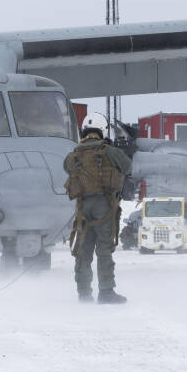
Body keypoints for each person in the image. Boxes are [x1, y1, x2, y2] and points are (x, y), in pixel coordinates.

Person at [63, 125, 133, 304]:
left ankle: (84, 294)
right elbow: (127, 166)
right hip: (104, 204)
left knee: (83, 251)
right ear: (101, 134)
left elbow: (67, 169)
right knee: (104, 249)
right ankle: (106, 292)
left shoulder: (73, 156)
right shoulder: (109, 151)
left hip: (83, 207)